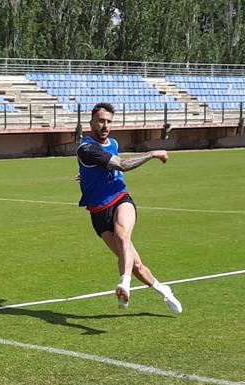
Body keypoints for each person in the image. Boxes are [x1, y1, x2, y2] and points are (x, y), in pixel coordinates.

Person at [76, 102, 182, 313]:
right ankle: (164, 291)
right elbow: (121, 165)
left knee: (123, 235)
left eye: (109, 122)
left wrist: (90, 176)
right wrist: (152, 154)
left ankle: (124, 285)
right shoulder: (86, 148)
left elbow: (113, 168)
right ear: (91, 123)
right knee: (135, 265)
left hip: (120, 200)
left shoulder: (112, 143)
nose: (105, 125)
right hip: (98, 212)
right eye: (101, 121)